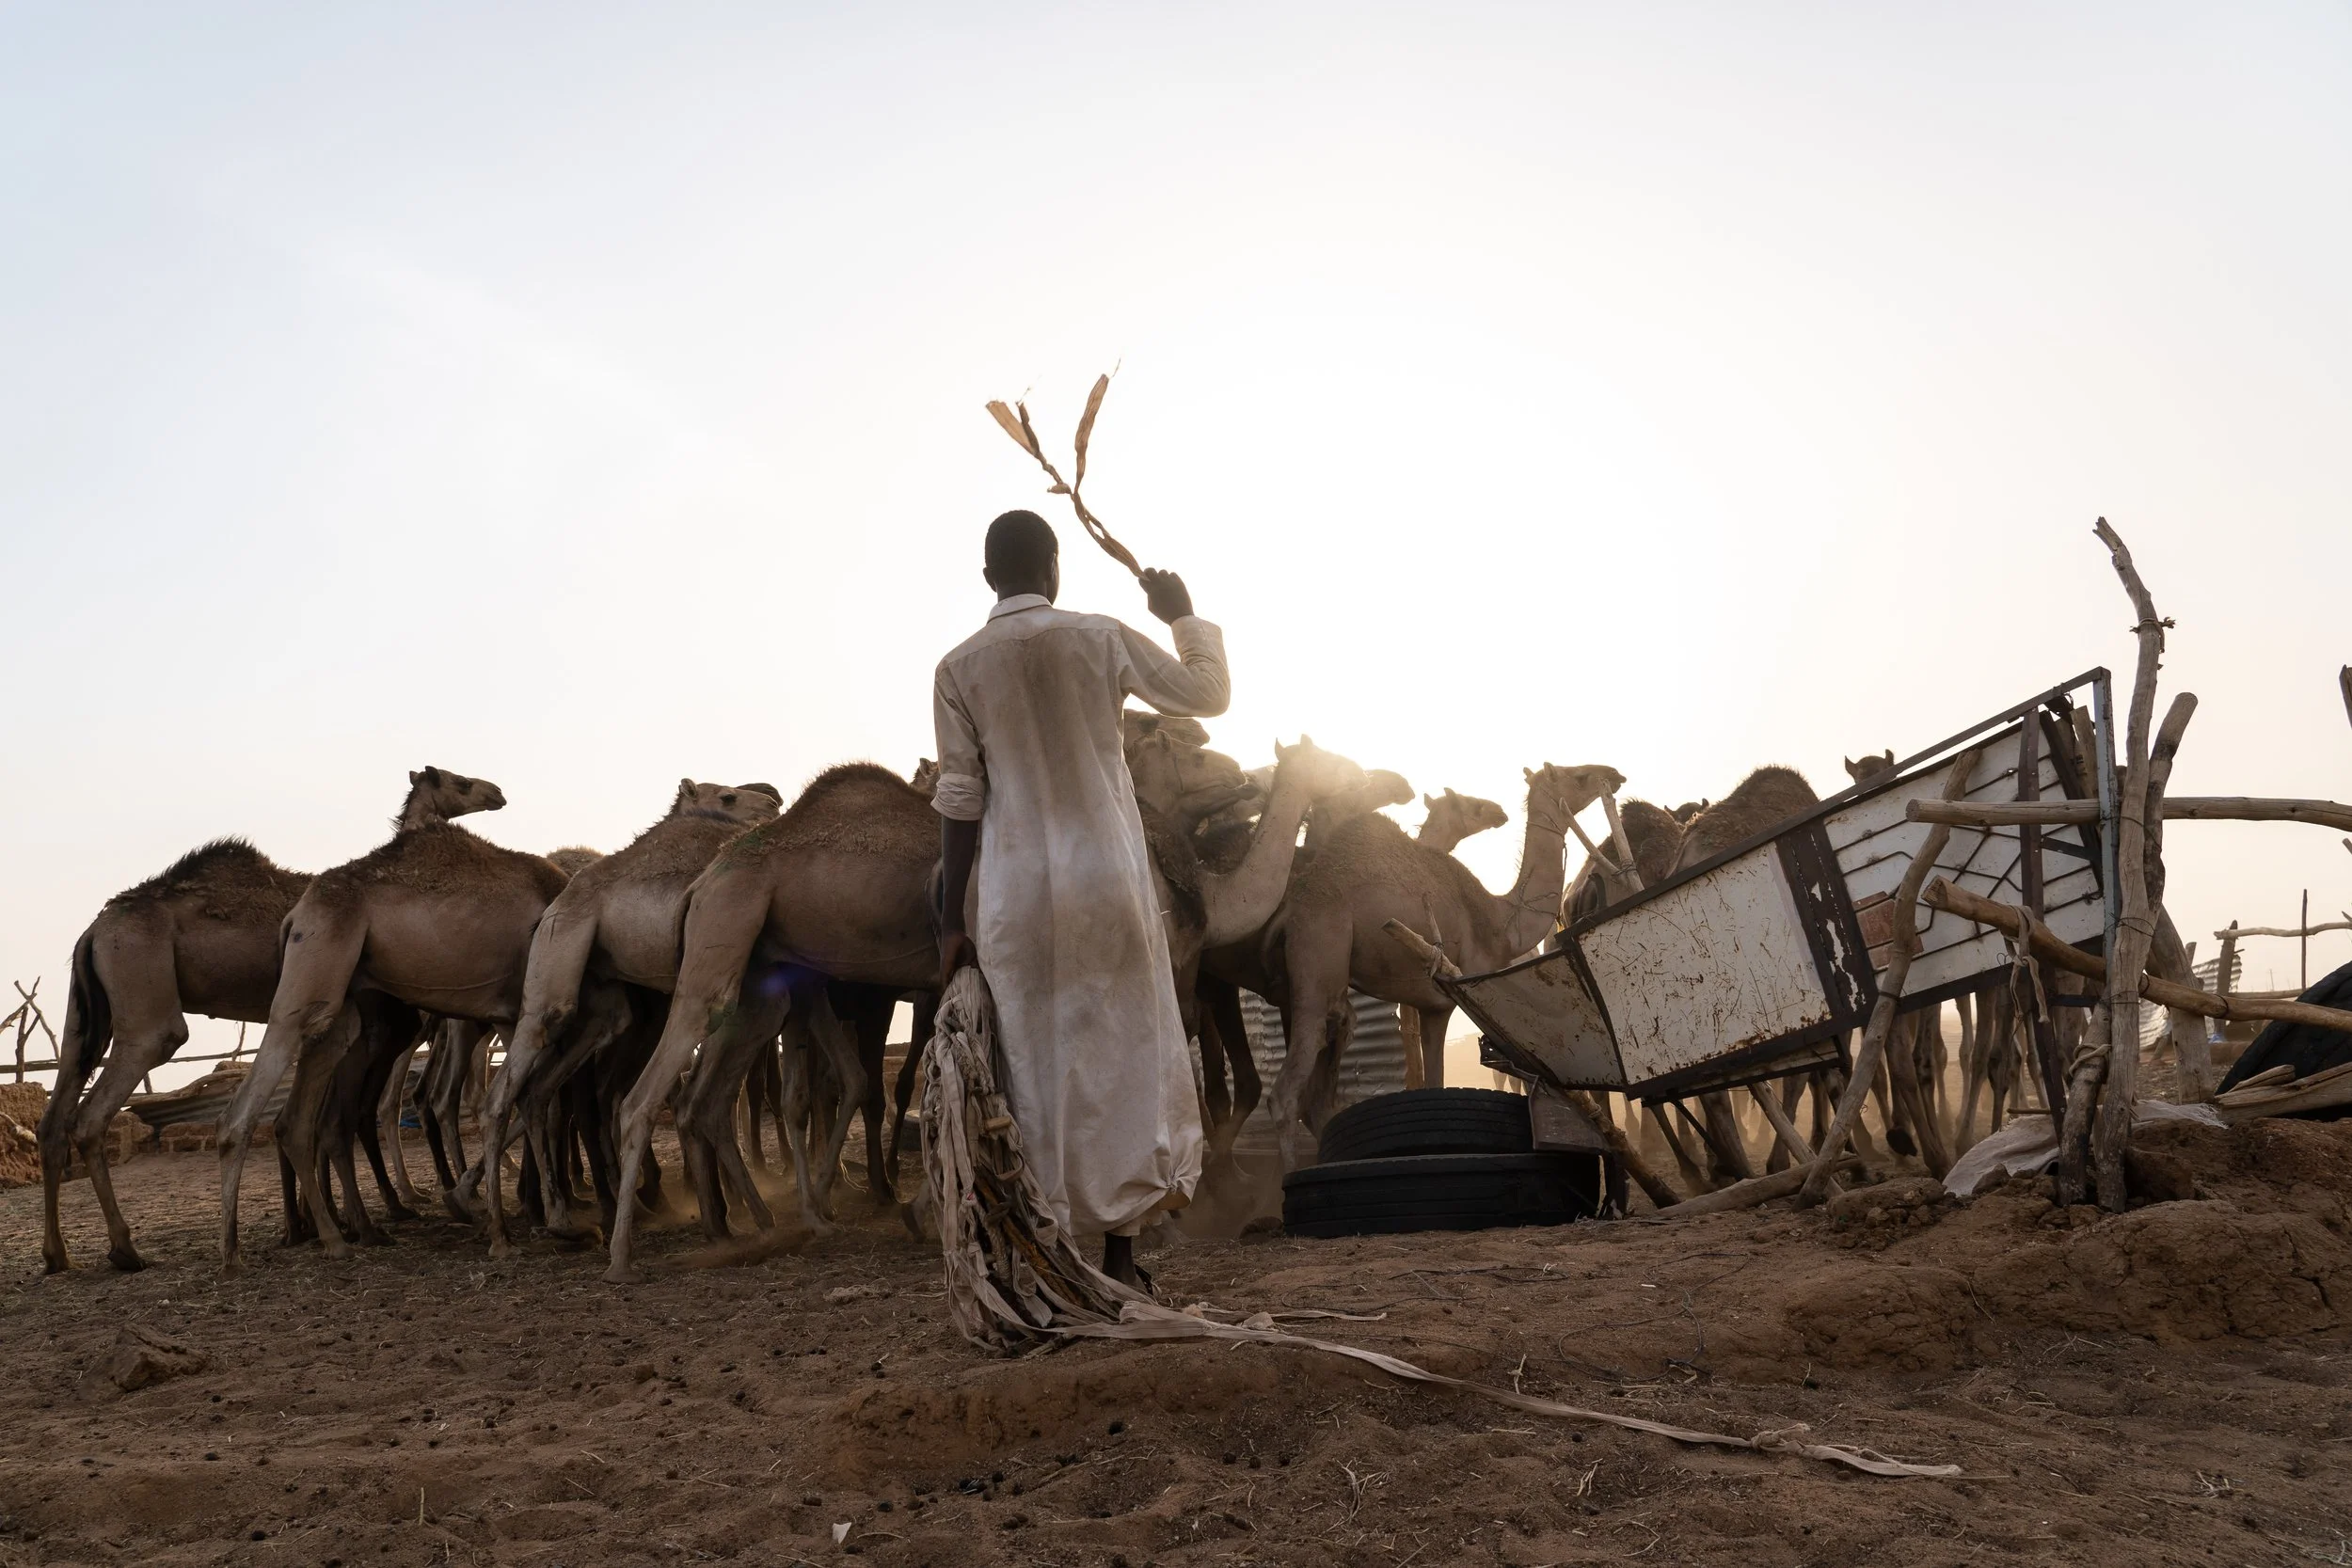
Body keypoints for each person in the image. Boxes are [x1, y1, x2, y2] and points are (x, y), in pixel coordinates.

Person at [931, 509, 1230, 1287]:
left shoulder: (958, 668)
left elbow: (960, 801)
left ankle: (1049, 1257)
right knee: (1123, 1059)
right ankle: (1123, 1259)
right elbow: (1207, 693)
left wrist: (946, 921)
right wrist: (1181, 615)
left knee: (1030, 1066)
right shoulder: (1098, 636)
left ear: (990, 577)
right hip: (1109, 885)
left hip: (1015, 895)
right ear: (1055, 567)